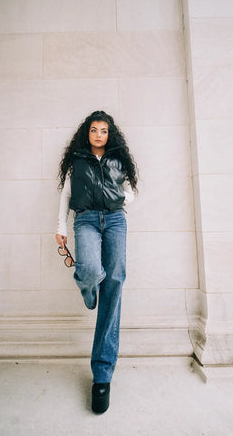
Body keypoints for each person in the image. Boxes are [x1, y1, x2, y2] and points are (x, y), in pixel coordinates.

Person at [55, 110, 138, 414]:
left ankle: (102, 374)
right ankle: (89, 291)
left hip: (116, 221)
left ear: (110, 133)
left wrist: (117, 196)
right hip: (86, 220)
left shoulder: (118, 159)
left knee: (114, 283)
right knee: (89, 269)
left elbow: (131, 194)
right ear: (86, 133)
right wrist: (61, 228)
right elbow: (65, 194)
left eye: (104, 131)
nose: (99, 135)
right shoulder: (77, 159)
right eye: (94, 130)